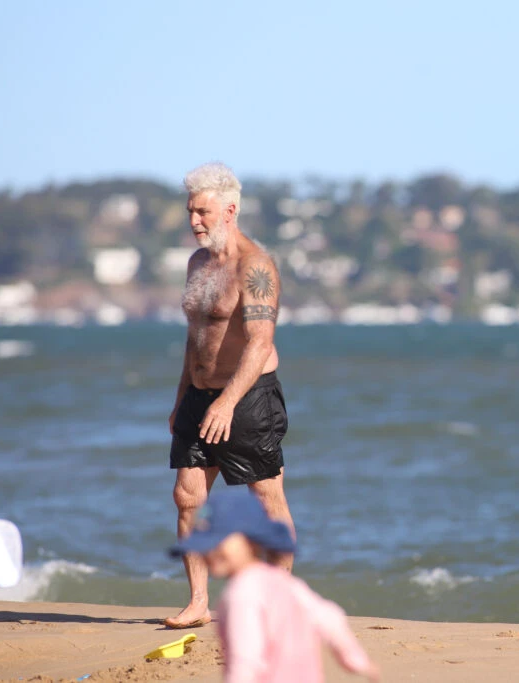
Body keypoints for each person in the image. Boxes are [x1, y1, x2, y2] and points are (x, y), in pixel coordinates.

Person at [166, 162, 295, 629]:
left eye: (202, 212)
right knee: (187, 496)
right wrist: (184, 397)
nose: (194, 221)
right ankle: (199, 602)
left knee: (266, 497)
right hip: (200, 396)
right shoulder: (197, 264)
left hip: (247, 396)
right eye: (190, 212)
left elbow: (259, 342)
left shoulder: (254, 267)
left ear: (230, 209)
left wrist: (227, 403)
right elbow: (195, 337)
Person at [170, 488, 380, 683]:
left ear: (251, 540)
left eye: (218, 541)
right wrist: (355, 661)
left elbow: (245, 661)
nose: (209, 552)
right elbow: (330, 617)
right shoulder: (284, 582)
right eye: (204, 545)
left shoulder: (240, 596)